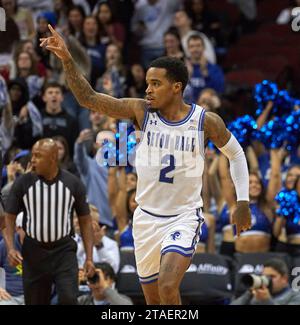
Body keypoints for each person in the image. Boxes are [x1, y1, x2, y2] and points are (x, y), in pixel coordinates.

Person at [40, 25, 251, 305]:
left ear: (177, 87)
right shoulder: (141, 111)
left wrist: (243, 201)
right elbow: (88, 99)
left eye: (156, 84)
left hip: (183, 217)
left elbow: (236, 154)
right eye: (148, 83)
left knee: (167, 287)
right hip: (145, 219)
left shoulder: (205, 121)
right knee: (153, 301)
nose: (148, 90)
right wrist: (67, 59)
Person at [4, 138, 95, 305]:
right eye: (33, 155)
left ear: (53, 157)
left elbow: (86, 221)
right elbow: (8, 218)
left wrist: (89, 257)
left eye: (38, 156)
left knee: (69, 298)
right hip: (33, 252)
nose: (32, 160)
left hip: (64, 252)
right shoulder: (23, 183)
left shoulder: (73, 183)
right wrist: (10, 247)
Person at [231, 258, 300, 305]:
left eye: (272, 276)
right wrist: (249, 293)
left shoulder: (295, 295)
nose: (267, 279)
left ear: (284, 279)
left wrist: (267, 301)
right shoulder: (256, 295)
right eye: (264, 276)